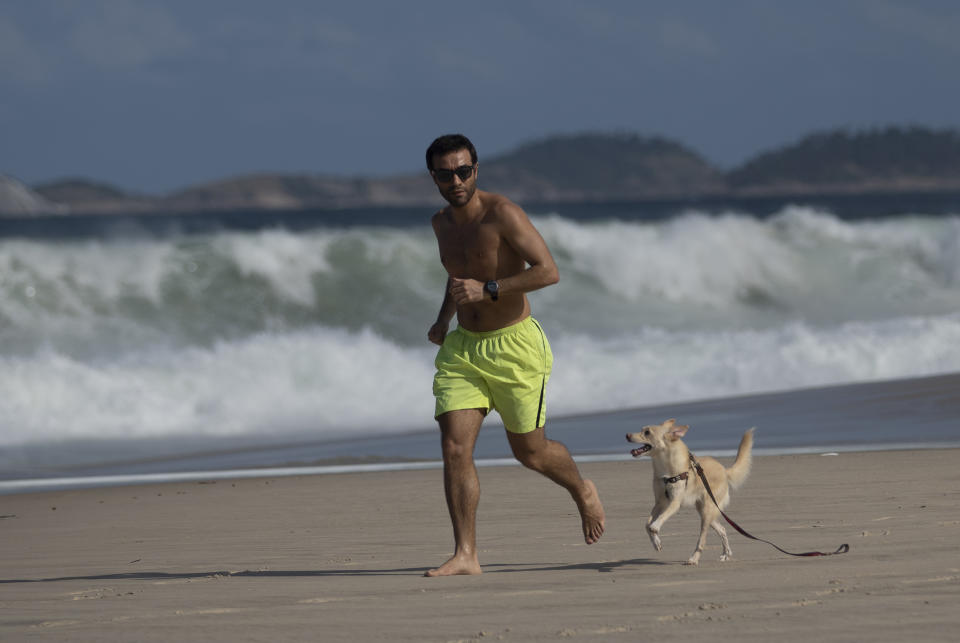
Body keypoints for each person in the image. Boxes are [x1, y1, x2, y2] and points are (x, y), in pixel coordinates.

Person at [424, 133, 605, 577]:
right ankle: (466, 553)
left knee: (531, 452)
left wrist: (489, 289)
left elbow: (549, 272)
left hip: (515, 346)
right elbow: (457, 279)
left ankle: (582, 489)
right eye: (446, 174)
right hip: (463, 349)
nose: (456, 180)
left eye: (464, 170)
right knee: (454, 448)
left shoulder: (503, 214)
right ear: (435, 178)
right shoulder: (441, 224)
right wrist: (443, 320)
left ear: (476, 169)